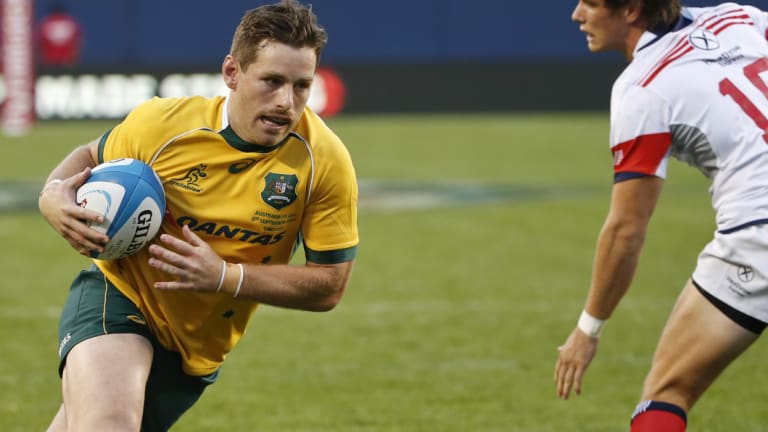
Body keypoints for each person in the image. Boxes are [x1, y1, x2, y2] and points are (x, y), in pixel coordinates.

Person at [37, 1, 359, 430]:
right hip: (119, 294)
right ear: (232, 73)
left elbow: (329, 286)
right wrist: (52, 194)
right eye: (272, 81)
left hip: (196, 347)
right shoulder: (164, 125)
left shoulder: (324, 161)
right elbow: (90, 155)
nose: (286, 101)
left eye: (301, 86)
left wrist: (226, 277)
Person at [555, 1, 768, 431]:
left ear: (631, 9)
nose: (577, 15)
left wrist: (588, 329)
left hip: (757, 234)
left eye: (591, 4)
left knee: (666, 394)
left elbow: (626, 231)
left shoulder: (643, 88)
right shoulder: (742, 17)